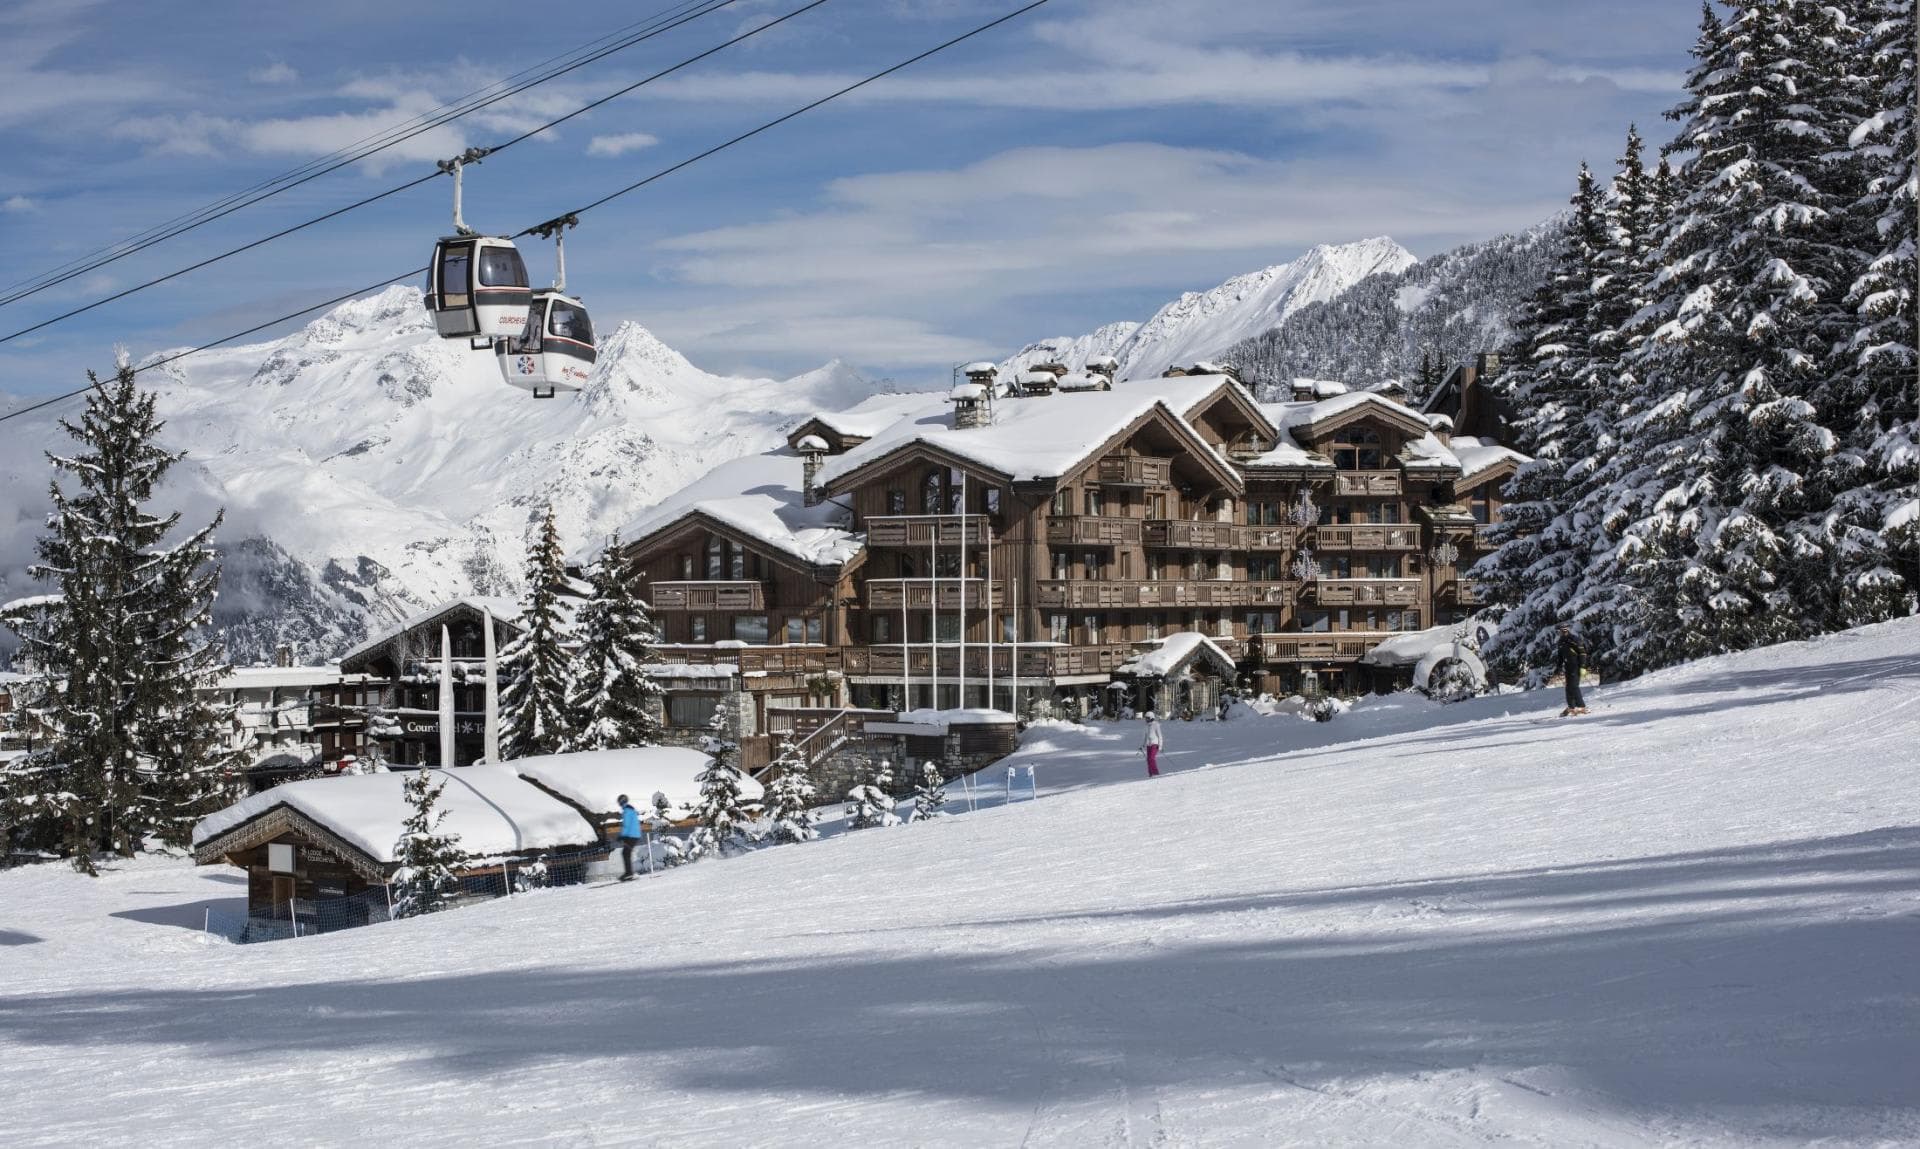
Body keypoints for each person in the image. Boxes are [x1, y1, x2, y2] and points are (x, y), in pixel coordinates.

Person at [1557, 624, 1588, 716]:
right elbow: (1560, 656)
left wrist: (1583, 666)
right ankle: (1571, 707)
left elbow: (1583, 653)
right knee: (1568, 687)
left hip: (1576, 666)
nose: (1559, 633)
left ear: (1565, 630)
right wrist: (1558, 667)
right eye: (1558, 632)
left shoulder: (1574, 639)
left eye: (1559, 631)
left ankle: (1581, 707)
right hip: (1568, 666)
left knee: (1574, 686)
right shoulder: (1561, 641)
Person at [616, 793, 642, 881]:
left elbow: (626, 825)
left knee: (625, 853)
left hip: (631, 836)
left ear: (621, 802)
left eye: (619, 801)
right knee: (626, 853)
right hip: (634, 835)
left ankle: (629, 873)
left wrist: (621, 836)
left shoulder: (627, 811)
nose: (618, 803)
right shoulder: (631, 809)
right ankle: (629, 873)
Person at [1141, 711, 1164, 777]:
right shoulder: (1146, 726)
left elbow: (1160, 736)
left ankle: (1155, 773)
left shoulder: (1156, 725)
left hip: (1155, 744)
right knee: (1148, 759)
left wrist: (1160, 746)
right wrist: (1142, 745)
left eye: (1147, 718)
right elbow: (1145, 736)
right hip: (1148, 745)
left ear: (1151, 718)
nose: (1146, 719)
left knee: (1151, 758)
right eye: (1146, 718)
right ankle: (1150, 774)